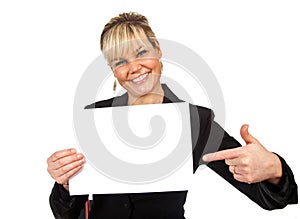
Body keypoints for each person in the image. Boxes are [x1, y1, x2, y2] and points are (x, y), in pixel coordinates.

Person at [47, 12, 298, 219]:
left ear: (157, 50)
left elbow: (270, 199)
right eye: (120, 61)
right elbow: (69, 213)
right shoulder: (95, 117)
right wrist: (66, 184)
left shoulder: (195, 122)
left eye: (141, 52)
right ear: (113, 70)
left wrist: (274, 169)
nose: (134, 68)